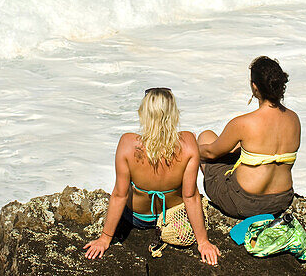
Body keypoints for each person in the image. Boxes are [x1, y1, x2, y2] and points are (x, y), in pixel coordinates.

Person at [84, 88, 220, 265]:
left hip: (137, 218)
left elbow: (120, 194)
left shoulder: (128, 143)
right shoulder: (188, 143)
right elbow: (190, 196)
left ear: (143, 113)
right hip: (172, 216)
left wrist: (105, 238)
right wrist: (203, 241)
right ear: (174, 114)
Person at [198, 56, 300, 219]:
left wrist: (188, 150)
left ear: (255, 87)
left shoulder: (244, 123)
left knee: (206, 137)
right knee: (238, 150)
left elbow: (210, 153)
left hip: (244, 203)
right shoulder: (294, 119)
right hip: (281, 200)